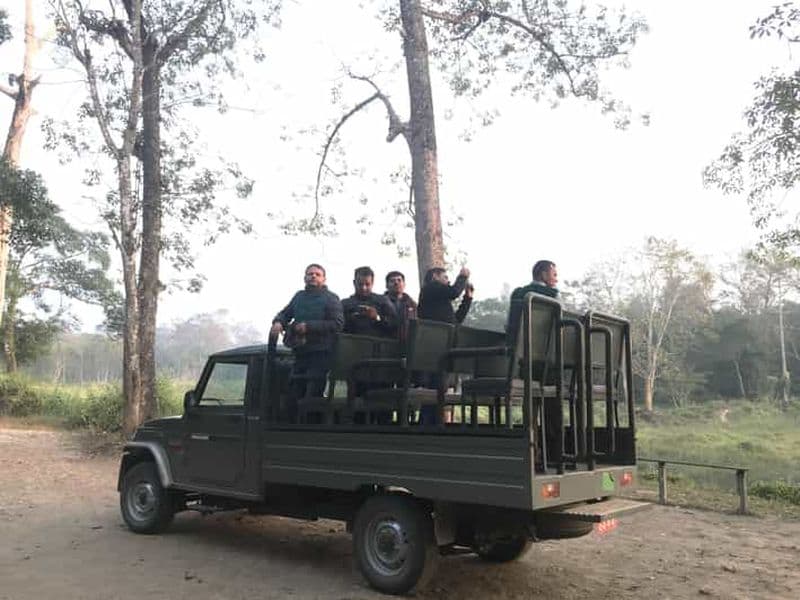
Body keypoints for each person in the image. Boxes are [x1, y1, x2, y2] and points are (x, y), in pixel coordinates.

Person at [270, 264, 344, 414]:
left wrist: (309, 326)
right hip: (300, 352)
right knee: (293, 394)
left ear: (324, 279)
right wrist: (278, 322)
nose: (313, 276)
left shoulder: (331, 298)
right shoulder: (299, 297)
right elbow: (285, 313)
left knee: (313, 395)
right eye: (310, 274)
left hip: (321, 353)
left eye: (317, 274)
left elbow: (337, 324)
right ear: (305, 277)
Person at [416, 266, 474, 424]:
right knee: (434, 389)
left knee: (439, 389)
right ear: (435, 276)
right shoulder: (430, 288)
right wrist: (462, 276)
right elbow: (454, 292)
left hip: (443, 348)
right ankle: (428, 424)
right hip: (433, 348)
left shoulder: (440, 302)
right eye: (445, 277)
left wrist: (467, 299)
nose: (448, 281)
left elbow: (456, 320)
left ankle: (433, 423)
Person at [342, 266, 398, 338]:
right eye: (360, 284)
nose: (364, 288)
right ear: (354, 283)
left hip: (377, 344)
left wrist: (377, 317)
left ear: (372, 283)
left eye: (367, 284)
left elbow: (395, 326)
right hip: (351, 343)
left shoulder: (383, 302)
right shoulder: (345, 304)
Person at [507, 260, 559, 335]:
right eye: (554, 275)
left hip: (513, 340)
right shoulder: (553, 295)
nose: (556, 280)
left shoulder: (517, 293)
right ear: (544, 275)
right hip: (540, 340)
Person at [384, 270, 417, 341]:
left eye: (399, 280)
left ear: (404, 284)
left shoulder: (412, 304)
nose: (396, 283)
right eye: (392, 281)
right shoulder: (381, 302)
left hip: (408, 342)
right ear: (386, 285)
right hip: (387, 341)